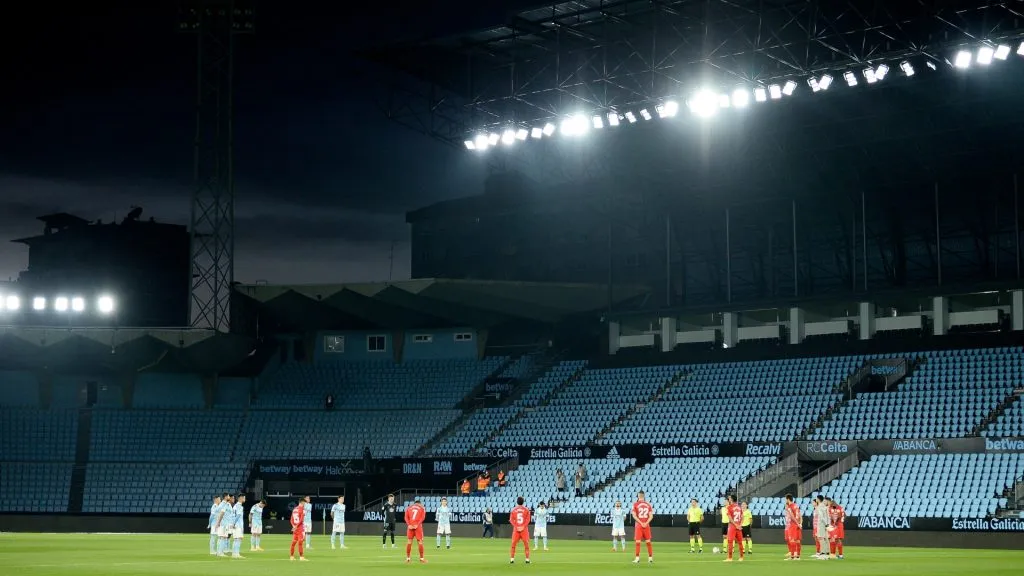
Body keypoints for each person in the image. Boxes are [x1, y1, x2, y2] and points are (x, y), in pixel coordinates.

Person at [631, 491, 654, 564]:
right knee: (648, 542)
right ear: (644, 496)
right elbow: (651, 516)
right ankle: (650, 558)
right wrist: (646, 523)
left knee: (638, 542)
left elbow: (634, 516)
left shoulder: (635, 504)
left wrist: (641, 523)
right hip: (646, 526)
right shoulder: (648, 505)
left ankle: (637, 558)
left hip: (639, 526)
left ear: (638, 496)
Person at [509, 496, 532, 564]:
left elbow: (511, 520)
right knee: (526, 545)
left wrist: (516, 526)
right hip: (524, 530)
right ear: (523, 502)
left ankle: (512, 559)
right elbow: (528, 520)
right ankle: (527, 560)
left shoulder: (513, 510)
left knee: (513, 545)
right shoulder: (526, 510)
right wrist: (523, 526)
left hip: (516, 530)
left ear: (517, 502)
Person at [404, 498, 428, 564]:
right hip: (418, 527)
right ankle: (422, 559)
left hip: (410, 526)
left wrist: (409, 525)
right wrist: (417, 524)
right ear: (419, 503)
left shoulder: (409, 508)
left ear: (414, 503)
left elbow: (406, 517)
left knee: (409, 542)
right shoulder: (422, 508)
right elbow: (423, 517)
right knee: (420, 542)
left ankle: (408, 559)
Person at [723, 495, 744, 562]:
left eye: (729, 498)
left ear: (731, 499)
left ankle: (730, 558)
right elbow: (742, 517)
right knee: (740, 542)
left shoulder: (729, 507)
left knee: (730, 541)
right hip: (738, 526)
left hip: (732, 526)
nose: (728, 499)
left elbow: (730, 518)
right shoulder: (739, 507)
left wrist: (735, 525)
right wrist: (740, 525)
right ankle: (741, 557)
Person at [784, 493, 802, 560]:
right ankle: (797, 556)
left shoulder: (790, 507)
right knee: (797, 540)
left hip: (792, 525)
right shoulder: (796, 506)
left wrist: (797, 523)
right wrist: (799, 523)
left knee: (792, 540)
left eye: (785, 499)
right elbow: (799, 516)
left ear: (788, 499)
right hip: (796, 525)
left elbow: (792, 516)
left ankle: (792, 556)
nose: (785, 500)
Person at [231, 494, 246, 558]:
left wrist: (232, 523)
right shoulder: (239, 506)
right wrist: (234, 523)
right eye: (244, 498)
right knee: (238, 539)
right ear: (241, 498)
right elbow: (238, 516)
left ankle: (234, 553)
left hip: (235, 525)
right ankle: (236, 554)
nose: (245, 499)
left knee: (236, 539)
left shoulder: (235, 506)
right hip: (238, 525)